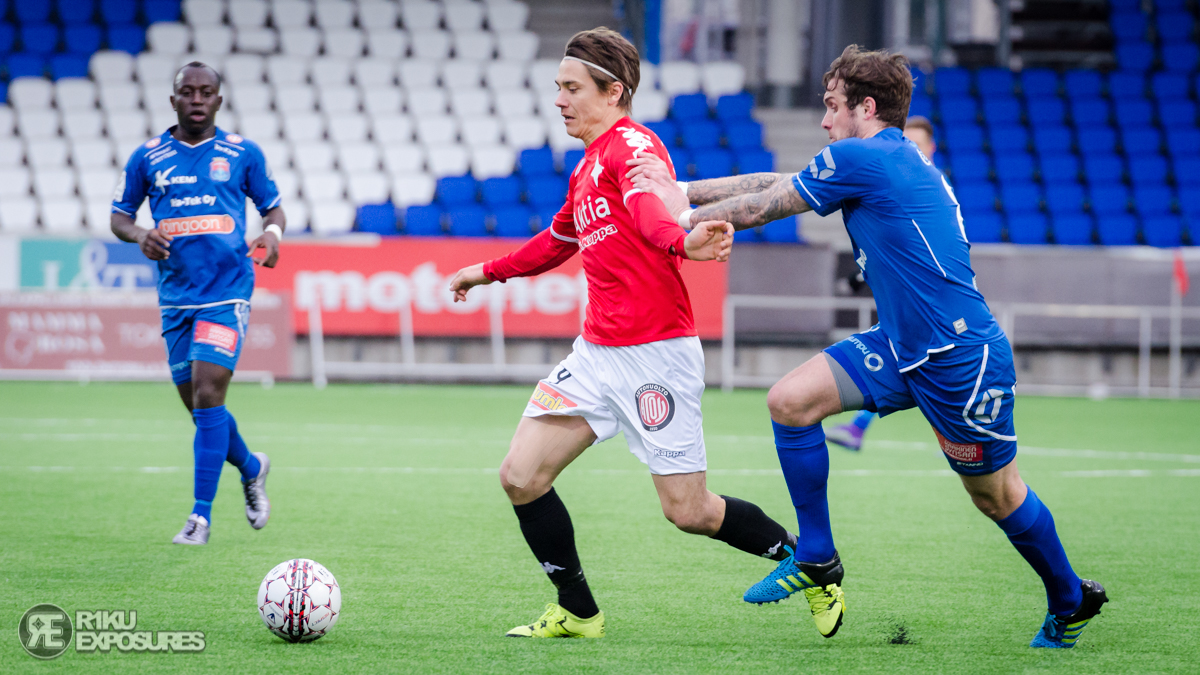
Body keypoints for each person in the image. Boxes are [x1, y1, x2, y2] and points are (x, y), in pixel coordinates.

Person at [626, 46, 1106, 647]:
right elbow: (779, 184)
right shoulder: (878, 157)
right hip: (903, 342)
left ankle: (1070, 598)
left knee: (996, 495)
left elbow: (762, 207)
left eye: (832, 107)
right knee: (790, 401)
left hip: (957, 357)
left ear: (866, 107)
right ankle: (817, 557)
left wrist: (671, 215)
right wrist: (685, 188)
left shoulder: (864, 157)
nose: (825, 121)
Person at [447, 28, 799, 639]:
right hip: (597, 356)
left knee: (688, 511)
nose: (559, 99)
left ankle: (806, 560)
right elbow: (557, 241)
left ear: (614, 92)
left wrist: (684, 242)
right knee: (521, 476)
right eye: (557, 86)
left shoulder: (634, 147)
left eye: (572, 88)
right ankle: (579, 612)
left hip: (655, 357)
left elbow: (652, 212)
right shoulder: (587, 165)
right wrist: (483, 273)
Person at [111, 62, 286, 545]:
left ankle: (199, 518)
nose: (196, 99)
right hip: (176, 297)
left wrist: (271, 234)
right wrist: (141, 234)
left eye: (206, 92)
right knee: (200, 407)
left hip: (228, 289)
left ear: (218, 101)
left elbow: (272, 207)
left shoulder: (242, 152)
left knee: (209, 392)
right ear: (173, 101)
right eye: (187, 92)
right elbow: (120, 217)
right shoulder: (147, 157)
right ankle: (252, 467)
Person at [826, 114, 937, 452]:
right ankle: (859, 427)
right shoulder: (890, 185)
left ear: (931, 148)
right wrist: (861, 276)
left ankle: (958, 434)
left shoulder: (933, 193)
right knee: (913, 370)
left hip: (930, 306)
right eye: (908, 141)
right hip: (903, 303)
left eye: (918, 143)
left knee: (924, 372)